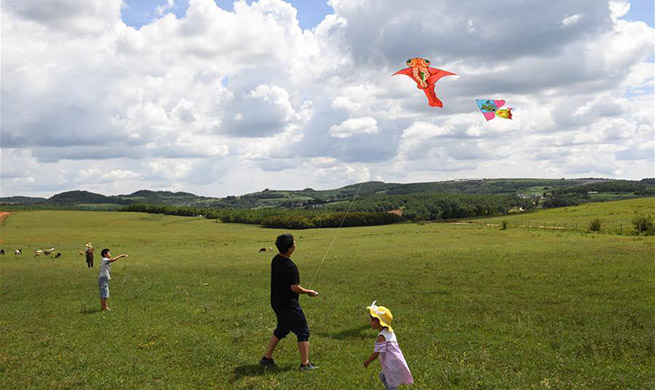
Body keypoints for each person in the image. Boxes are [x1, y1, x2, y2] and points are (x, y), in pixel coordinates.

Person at [260, 234, 319, 370]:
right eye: (294, 242)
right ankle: (305, 364)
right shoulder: (290, 266)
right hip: (288, 304)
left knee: (282, 328)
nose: (295, 243)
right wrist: (308, 292)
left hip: (276, 301)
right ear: (290, 248)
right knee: (303, 331)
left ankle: (267, 358)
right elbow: (294, 288)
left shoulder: (276, 259)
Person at [363, 301, 413, 389]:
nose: (370, 322)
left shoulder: (381, 337)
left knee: (391, 385)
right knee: (383, 377)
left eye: (372, 320)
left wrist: (367, 361)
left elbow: (376, 353)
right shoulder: (390, 333)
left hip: (391, 365)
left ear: (379, 322)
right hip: (396, 362)